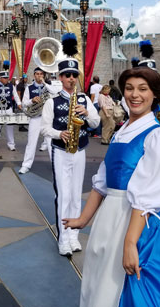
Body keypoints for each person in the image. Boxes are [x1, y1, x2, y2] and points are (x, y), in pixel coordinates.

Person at [63, 67, 160, 306]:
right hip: (110, 218)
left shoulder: (157, 137)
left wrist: (129, 244)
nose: (134, 95)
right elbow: (103, 182)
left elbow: (147, 196)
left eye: (142, 89)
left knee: (124, 287)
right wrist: (83, 219)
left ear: (155, 95)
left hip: (139, 222)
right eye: (129, 88)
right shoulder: (121, 132)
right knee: (99, 281)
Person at [41, 33, 100, 256]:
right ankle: (62, 238)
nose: (71, 79)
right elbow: (44, 128)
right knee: (63, 195)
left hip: (80, 150)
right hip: (61, 151)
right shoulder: (52, 101)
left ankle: (74, 235)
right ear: (60, 77)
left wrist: (86, 114)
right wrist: (60, 133)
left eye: (74, 75)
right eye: (67, 75)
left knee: (76, 194)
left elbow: (96, 122)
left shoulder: (84, 99)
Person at [19, 67, 53, 174]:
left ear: (44, 75)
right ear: (34, 75)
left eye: (41, 74)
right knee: (31, 143)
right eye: (37, 74)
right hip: (35, 118)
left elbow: (55, 94)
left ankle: (56, 165)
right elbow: (24, 103)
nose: (39, 76)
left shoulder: (48, 87)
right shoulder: (29, 88)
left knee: (50, 142)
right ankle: (26, 165)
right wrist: (32, 100)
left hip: (47, 119)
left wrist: (46, 84)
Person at [0, 61, 20, 152]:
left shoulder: (11, 85)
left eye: (7, 78)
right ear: (0, 78)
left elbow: (16, 95)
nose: (7, 79)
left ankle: (11, 144)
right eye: (5, 78)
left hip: (8, 108)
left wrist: (19, 103)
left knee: (10, 126)